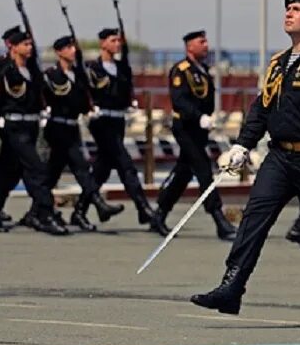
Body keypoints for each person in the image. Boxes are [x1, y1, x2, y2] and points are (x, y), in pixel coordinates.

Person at [191, 0, 300, 327]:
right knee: (255, 216)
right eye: (287, 8)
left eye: (297, 9)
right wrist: (243, 145)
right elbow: (262, 107)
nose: (288, 13)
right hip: (280, 157)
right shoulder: (278, 62)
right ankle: (232, 286)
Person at [0, 28, 67, 235]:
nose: (29, 48)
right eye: (25, 44)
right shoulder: (7, 73)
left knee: (8, 173)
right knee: (37, 169)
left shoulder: (32, 71)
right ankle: (45, 213)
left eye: (30, 44)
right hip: (14, 128)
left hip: (30, 127)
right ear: (13, 47)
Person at [157, 31, 237, 240]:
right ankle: (220, 220)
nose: (206, 45)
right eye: (201, 42)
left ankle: (159, 215)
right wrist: (199, 116)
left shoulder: (203, 70)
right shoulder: (181, 70)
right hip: (185, 127)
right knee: (203, 170)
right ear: (189, 46)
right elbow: (179, 100)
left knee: (183, 174)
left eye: (206, 41)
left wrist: (209, 118)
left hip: (199, 129)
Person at [42, 35, 122, 231]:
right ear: (59, 52)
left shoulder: (78, 75)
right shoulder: (52, 75)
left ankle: (37, 211)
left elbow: (82, 99)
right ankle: (99, 204)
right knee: (81, 168)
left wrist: (88, 109)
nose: (73, 51)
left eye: (73, 47)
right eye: (68, 48)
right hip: (57, 127)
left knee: (52, 174)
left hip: (72, 127)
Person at [87, 27, 159, 229]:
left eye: (119, 41)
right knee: (125, 164)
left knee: (102, 168)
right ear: (102, 43)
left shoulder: (122, 67)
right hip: (101, 122)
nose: (117, 44)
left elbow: (126, 91)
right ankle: (143, 208)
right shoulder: (93, 68)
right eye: (112, 40)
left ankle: (79, 211)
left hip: (118, 121)